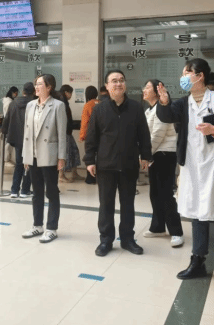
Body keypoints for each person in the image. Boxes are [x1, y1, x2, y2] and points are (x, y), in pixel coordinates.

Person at [156, 58, 214, 296]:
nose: (183, 77)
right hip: (193, 167)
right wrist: (164, 102)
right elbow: (167, 116)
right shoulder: (183, 103)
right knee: (197, 215)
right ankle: (198, 261)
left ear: (200, 76)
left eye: (188, 72)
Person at [85, 70, 152, 257]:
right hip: (106, 165)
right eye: (114, 81)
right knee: (106, 205)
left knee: (128, 204)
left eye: (121, 80)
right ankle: (106, 240)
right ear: (107, 86)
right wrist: (89, 160)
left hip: (129, 164)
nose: (118, 84)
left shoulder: (136, 108)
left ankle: (127, 239)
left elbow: (143, 134)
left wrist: (146, 155)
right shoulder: (99, 109)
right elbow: (91, 137)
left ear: (125, 84)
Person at [21, 74, 67, 244]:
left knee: (52, 192)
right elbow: (27, 132)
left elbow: (62, 134)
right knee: (37, 192)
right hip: (33, 155)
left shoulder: (58, 106)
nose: (36, 87)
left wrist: (61, 157)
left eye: (40, 84)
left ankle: (51, 228)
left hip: (49, 155)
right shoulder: (31, 105)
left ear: (49, 87)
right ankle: (37, 225)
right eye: (36, 84)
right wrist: (26, 156)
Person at [142, 79, 184, 248]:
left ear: (157, 91)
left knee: (165, 194)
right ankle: (158, 227)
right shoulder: (150, 110)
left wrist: (145, 155)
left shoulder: (162, 108)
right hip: (156, 155)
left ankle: (176, 232)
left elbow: (157, 135)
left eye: (147, 87)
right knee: (155, 193)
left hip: (164, 154)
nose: (144, 90)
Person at [2, 82, 35, 199]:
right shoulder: (34, 103)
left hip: (16, 138)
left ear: (23, 91)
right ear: (34, 92)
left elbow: (6, 119)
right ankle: (25, 190)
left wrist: (4, 131)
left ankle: (14, 190)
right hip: (30, 138)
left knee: (19, 164)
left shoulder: (14, 103)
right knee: (29, 164)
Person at [59, 84, 83, 183]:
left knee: (74, 151)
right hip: (64, 132)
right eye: (70, 93)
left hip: (67, 131)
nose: (71, 96)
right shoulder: (61, 103)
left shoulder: (64, 102)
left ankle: (74, 173)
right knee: (65, 153)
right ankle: (61, 175)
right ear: (66, 92)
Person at [79, 86, 100, 185]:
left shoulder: (88, 105)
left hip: (90, 135)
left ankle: (91, 178)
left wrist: (82, 136)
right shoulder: (101, 103)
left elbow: (85, 122)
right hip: (101, 135)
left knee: (90, 155)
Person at [2, 86, 19, 165]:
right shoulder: (9, 102)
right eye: (16, 93)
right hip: (10, 124)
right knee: (8, 143)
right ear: (12, 93)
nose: (16, 95)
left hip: (9, 123)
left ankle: (7, 158)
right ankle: (6, 159)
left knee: (9, 143)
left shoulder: (8, 101)